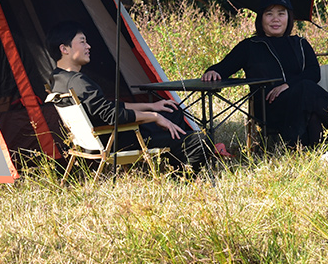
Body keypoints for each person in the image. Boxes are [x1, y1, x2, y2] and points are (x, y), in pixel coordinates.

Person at [46, 20, 211, 173]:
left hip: (102, 137)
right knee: (200, 141)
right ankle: (181, 174)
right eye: (82, 42)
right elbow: (112, 115)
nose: (88, 46)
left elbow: (105, 107)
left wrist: (151, 106)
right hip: (119, 140)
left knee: (172, 111)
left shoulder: (57, 79)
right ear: (64, 49)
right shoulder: (78, 81)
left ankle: (175, 157)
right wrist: (153, 116)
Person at [203, 0, 328, 148]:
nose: (276, 19)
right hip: (270, 109)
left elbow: (314, 72)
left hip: (302, 102)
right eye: (269, 14)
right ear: (261, 18)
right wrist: (213, 71)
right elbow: (223, 68)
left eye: (281, 13)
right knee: (307, 88)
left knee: (312, 108)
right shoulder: (250, 46)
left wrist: (288, 84)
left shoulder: (300, 43)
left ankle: (305, 148)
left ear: (289, 17)